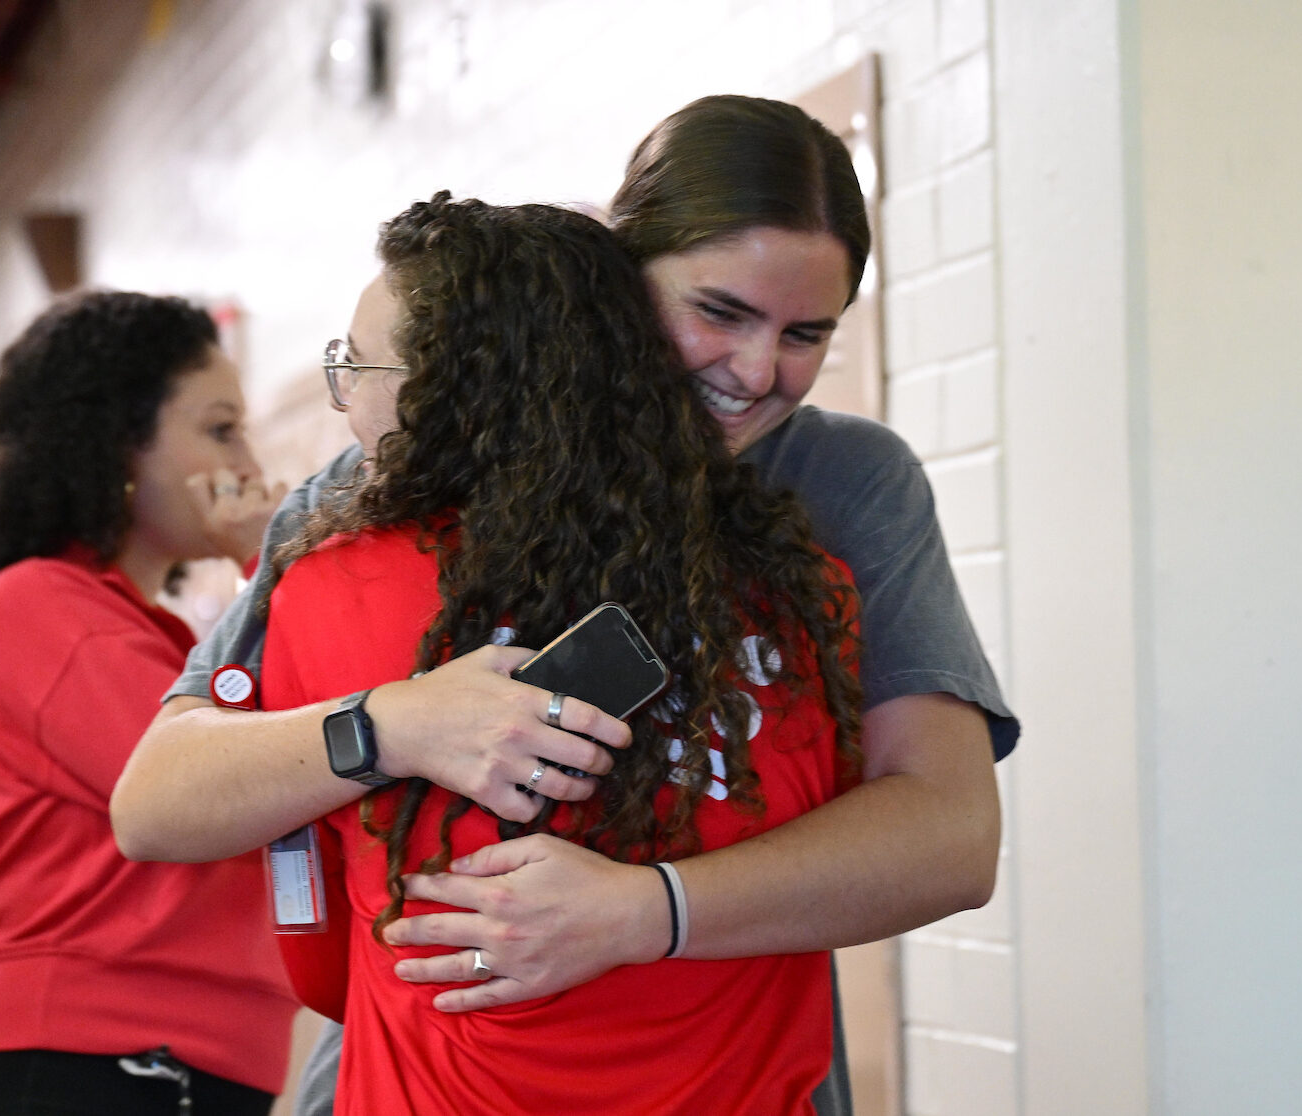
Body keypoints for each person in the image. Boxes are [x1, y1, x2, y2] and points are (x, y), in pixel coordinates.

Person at [112, 95, 1012, 1116]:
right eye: (718, 313)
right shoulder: (374, 497)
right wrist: (388, 726)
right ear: (614, 284)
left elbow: (946, 833)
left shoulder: (840, 487)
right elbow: (160, 797)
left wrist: (644, 911)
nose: (759, 372)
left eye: (806, 333)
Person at [273, 194, 865, 1111]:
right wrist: (661, 912)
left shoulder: (333, 590)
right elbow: (861, 869)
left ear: (452, 388)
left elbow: (310, 955)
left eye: (359, 365)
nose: (344, 391)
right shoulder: (802, 597)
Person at [0, 291, 296, 1116]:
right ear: (117, 445)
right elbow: (236, 787)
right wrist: (275, 561)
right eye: (219, 430)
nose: (248, 462)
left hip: (167, 1067)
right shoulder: (36, 604)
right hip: (100, 1064)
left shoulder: (155, 632)